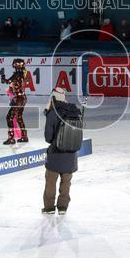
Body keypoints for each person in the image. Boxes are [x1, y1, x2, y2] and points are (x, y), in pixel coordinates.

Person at [43, 87, 80, 215]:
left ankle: (49, 208)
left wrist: (47, 113)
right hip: (71, 155)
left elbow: (48, 137)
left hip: (55, 154)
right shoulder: (75, 112)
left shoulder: (52, 113)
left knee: (51, 182)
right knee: (66, 183)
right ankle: (63, 207)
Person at [0, 58, 29, 145]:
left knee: (9, 117)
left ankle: (11, 138)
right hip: (23, 97)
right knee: (19, 117)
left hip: (18, 99)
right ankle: (24, 136)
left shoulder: (17, 74)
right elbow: (12, 82)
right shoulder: (23, 73)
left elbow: (8, 81)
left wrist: (3, 78)